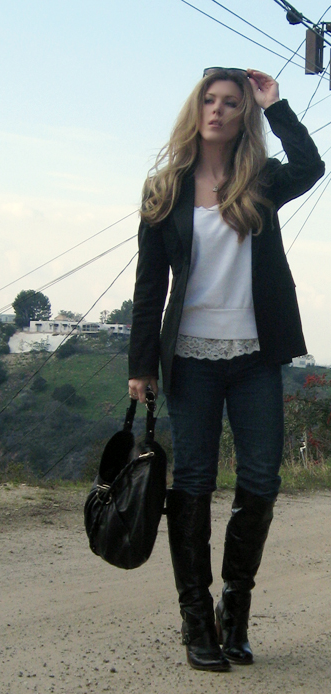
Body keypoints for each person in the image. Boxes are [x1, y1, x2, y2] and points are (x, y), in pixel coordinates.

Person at [128, 68, 325, 672]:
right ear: (197, 109)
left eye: (231, 103)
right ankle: (197, 620)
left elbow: (313, 165)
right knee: (191, 485)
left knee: (261, 482)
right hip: (189, 360)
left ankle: (234, 612)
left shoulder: (260, 181)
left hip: (255, 357)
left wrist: (278, 103)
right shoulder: (165, 189)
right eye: (209, 101)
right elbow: (147, 288)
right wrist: (141, 366)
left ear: (245, 116)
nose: (218, 110)